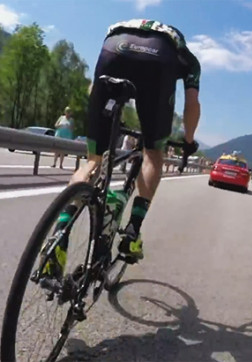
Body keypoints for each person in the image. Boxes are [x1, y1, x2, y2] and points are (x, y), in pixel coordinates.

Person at [62, 19, 201, 264]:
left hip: (112, 47)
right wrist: (188, 141)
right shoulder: (187, 58)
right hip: (158, 59)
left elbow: (93, 88)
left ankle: (59, 237)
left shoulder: (127, 26)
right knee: (152, 154)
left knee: (93, 160)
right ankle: (132, 232)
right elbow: (192, 105)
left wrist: (108, 112)